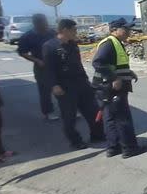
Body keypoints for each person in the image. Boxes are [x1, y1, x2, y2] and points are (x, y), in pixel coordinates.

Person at [42, 19, 105, 150]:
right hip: (64, 87)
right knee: (69, 116)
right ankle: (75, 141)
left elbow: (78, 65)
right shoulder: (50, 46)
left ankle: (97, 135)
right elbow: (48, 69)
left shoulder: (73, 45)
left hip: (81, 83)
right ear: (65, 30)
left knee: (93, 111)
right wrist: (54, 85)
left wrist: (87, 82)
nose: (76, 32)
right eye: (74, 30)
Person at [92, 18, 145, 158]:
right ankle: (129, 148)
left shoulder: (116, 43)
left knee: (110, 117)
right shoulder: (109, 44)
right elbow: (98, 63)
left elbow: (115, 64)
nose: (129, 31)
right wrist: (114, 78)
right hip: (111, 87)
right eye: (125, 29)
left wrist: (129, 72)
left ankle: (113, 147)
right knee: (122, 118)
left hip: (106, 87)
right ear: (114, 30)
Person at [17, 13, 58, 121]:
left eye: (46, 21)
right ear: (36, 23)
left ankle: (69, 109)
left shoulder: (52, 33)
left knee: (63, 86)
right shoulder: (28, 36)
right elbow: (22, 52)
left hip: (56, 65)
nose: (46, 24)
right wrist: (36, 60)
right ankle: (48, 112)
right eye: (43, 22)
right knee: (45, 91)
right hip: (42, 67)